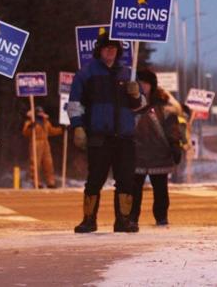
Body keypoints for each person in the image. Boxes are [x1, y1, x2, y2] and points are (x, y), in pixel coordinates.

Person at [68, 33, 145, 233]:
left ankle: (123, 220)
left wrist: (136, 94)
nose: (110, 51)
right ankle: (89, 219)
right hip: (99, 136)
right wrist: (77, 126)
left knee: (126, 180)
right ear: (99, 50)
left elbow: (141, 106)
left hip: (125, 137)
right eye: (106, 48)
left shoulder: (128, 74)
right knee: (95, 179)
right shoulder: (86, 74)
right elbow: (75, 104)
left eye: (114, 48)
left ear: (118, 51)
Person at [131, 69, 183, 227]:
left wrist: (175, 144)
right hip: (136, 154)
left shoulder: (163, 106)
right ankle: (131, 218)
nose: (142, 86)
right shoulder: (129, 104)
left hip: (159, 153)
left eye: (146, 83)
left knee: (160, 190)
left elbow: (171, 128)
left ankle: (161, 217)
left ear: (152, 85)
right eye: (140, 83)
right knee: (134, 190)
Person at [22, 106, 63, 188]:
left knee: (48, 163)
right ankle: (36, 182)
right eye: (39, 112)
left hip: (45, 144)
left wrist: (62, 129)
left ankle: (50, 182)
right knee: (35, 163)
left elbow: (51, 131)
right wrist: (30, 127)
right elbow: (25, 133)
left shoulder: (45, 122)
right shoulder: (30, 122)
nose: (41, 114)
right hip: (36, 143)